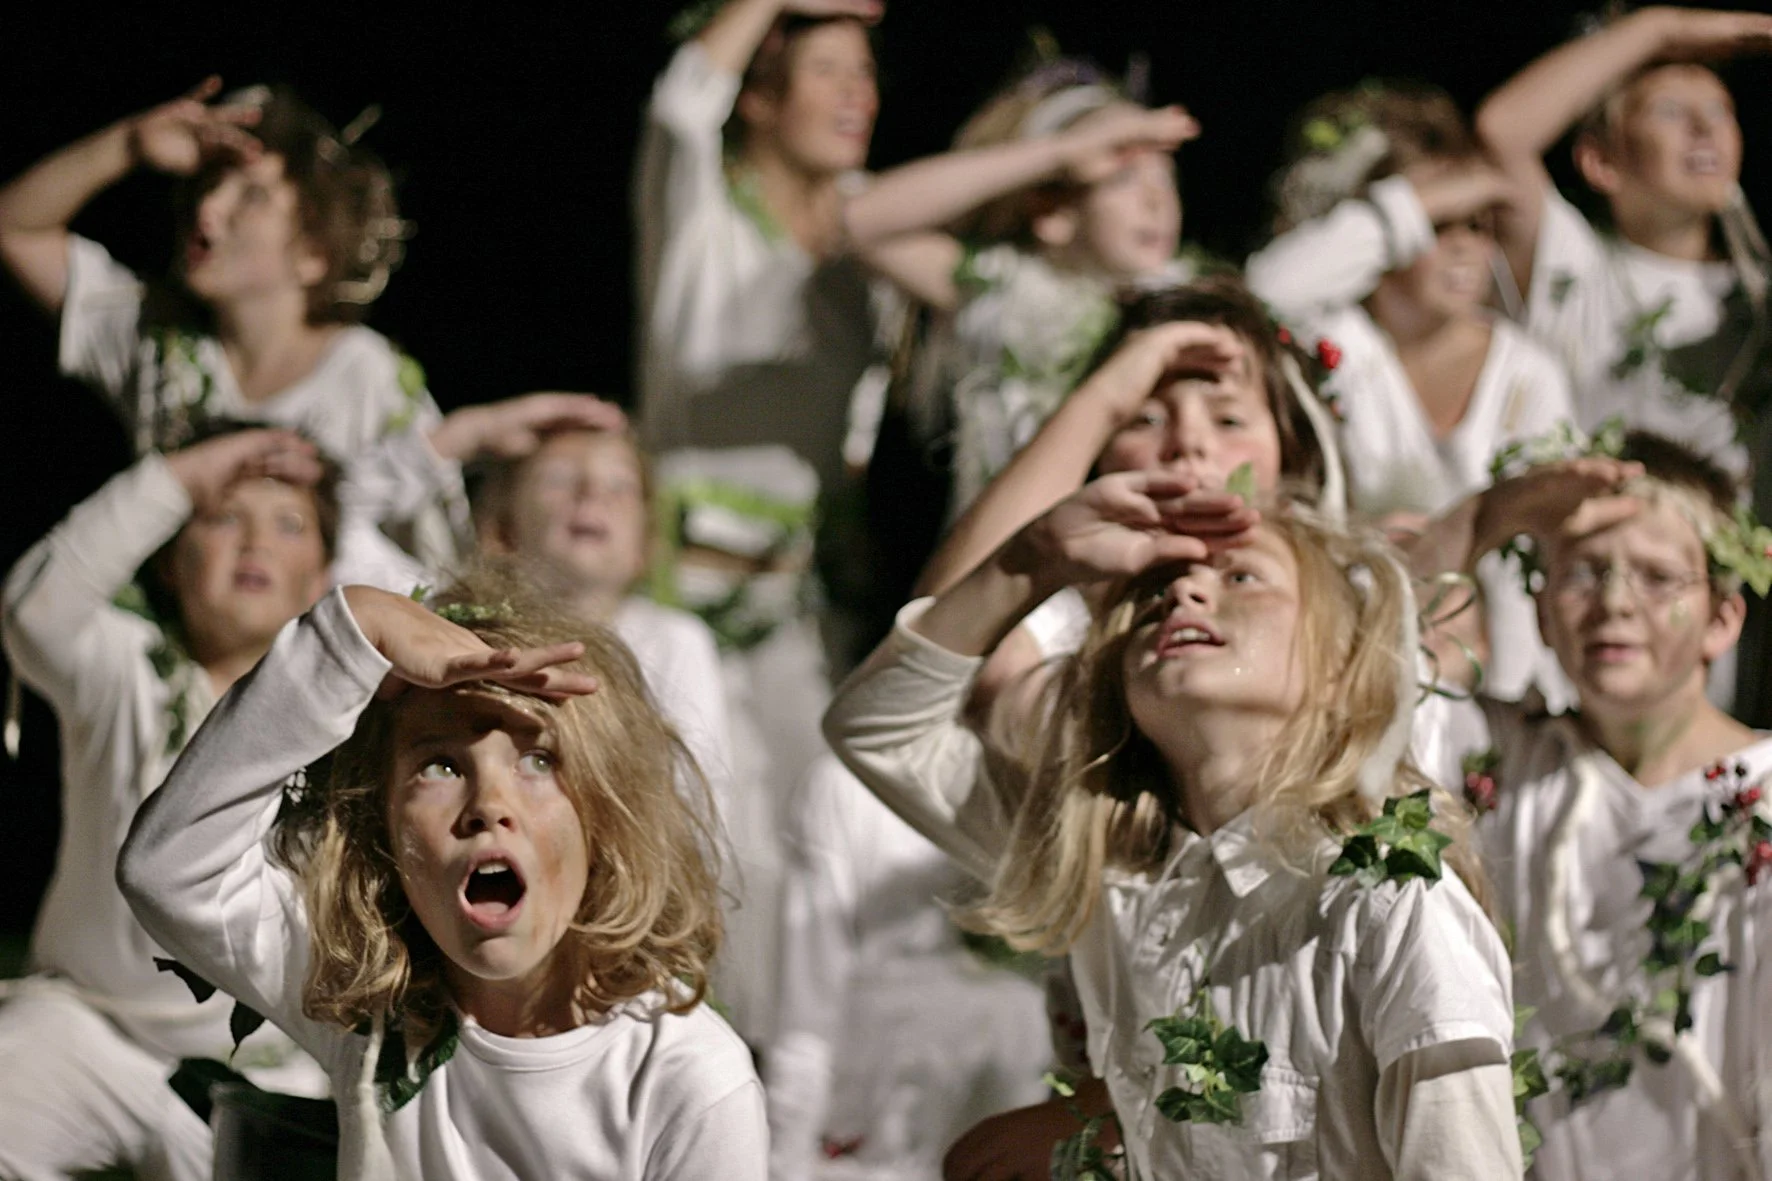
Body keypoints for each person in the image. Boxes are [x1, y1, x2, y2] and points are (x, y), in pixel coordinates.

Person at [823, 475, 1521, 1178]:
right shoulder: (1117, 869)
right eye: (1155, 595)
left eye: (1242, 576)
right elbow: (877, 728)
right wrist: (1036, 557)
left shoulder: (1394, 904)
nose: (1184, 595)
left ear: (1341, 665)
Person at [117, 570, 767, 1179]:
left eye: (539, 760)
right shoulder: (367, 1003)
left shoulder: (690, 1078)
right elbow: (165, 870)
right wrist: (351, 632)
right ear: (380, 828)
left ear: (607, 812)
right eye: (442, 767)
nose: (489, 804)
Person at [0, 79, 614, 588]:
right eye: (206, 190)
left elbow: (433, 574)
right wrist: (129, 145)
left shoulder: (368, 378)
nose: (207, 212)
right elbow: (15, 227)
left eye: (252, 197)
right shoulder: (155, 339)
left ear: (316, 252)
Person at [1418, 430, 1772, 1180]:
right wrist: (1489, 515)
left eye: (1656, 577)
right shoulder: (1501, 760)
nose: (1614, 602)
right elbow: (1357, 669)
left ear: (1721, 617)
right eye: (1583, 574)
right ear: (1542, 615)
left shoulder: (1763, 799)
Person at [0, 426, 336, 1180]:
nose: (254, 542)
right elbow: (32, 608)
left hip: (269, 1068)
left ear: (322, 578)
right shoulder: (128, 669)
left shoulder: (351, 725)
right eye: (222, 517)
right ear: (172, 562)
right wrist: (182, 475)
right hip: (91, 1028)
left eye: (288, 525)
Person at [1245, 81, 1577, 700]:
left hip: (1506, 687)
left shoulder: (1530, 371)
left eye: (1478, 225)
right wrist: (1401, 209)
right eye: (1437, 221)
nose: (1460, 244)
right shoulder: (1337, 346)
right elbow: (1260, 290)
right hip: (1350, 661)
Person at [472, 419, 791, 1043]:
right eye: (562, 481)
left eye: (619, 488)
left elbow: (695, 805)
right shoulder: (474, 641)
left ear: (644, 545)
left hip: (621, 932)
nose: (592, 496)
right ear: (504, 530)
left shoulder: (673, 641)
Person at [1474, 6, 1772, 480]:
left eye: (1719, 110)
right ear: (1600, 160)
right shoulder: (1574, 267)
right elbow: (1503, 131)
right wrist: (1660, 29)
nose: (1704, 128)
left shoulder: (1758, 290)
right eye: (1669, 111)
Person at [763, 754, 1052, 1181]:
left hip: (1004, 1073)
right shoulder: (851, 783)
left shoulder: (1047, 779)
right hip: (870, 1100)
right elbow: (808, 996)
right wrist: (786, 1156)